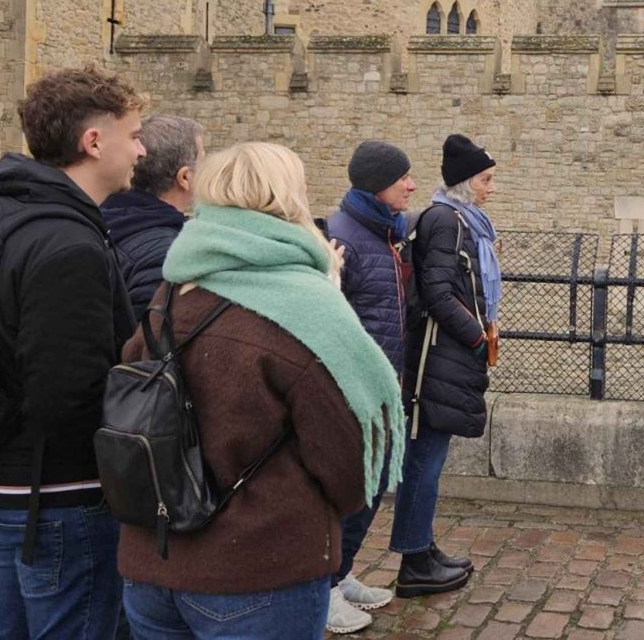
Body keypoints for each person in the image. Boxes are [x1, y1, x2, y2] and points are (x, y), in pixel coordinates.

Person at [118, 142, 405, 640]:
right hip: (258, 571)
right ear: (288, 199)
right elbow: (349, 461)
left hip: (154, 561)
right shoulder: (308, 309)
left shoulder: (174, 287)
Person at [0, 66, 145, 640]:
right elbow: (66, 396)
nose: (141, 149)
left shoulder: (12, 216)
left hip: (6, 480)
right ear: (94, 143)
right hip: (58, 495)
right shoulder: (68, 244)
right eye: (133, 134)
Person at [392, 134, 499, 597]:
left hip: (445, 357)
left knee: (430, 456)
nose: (491, 189)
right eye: (487, 180)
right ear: (466, 182)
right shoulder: (447, 221)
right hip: (436, 359)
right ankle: (415, 562)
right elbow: (438, 293)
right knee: (424, 459)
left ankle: (422, 546)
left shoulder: (461, 222)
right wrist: (477, 337)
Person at [323, 140, 417, 633]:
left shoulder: (385, 233)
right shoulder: (344, 237)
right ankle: (324, 588)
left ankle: (341, 572)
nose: (412, 185)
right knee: (352, 490)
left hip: (382, 389)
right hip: (352, 394)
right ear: (379, 184)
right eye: (403, 177)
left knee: (374, 486)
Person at [103, 114, 204, 321]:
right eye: (203, 160)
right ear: (185, 178)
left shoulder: (102, 218)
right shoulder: (165, 255)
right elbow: (150, 340)